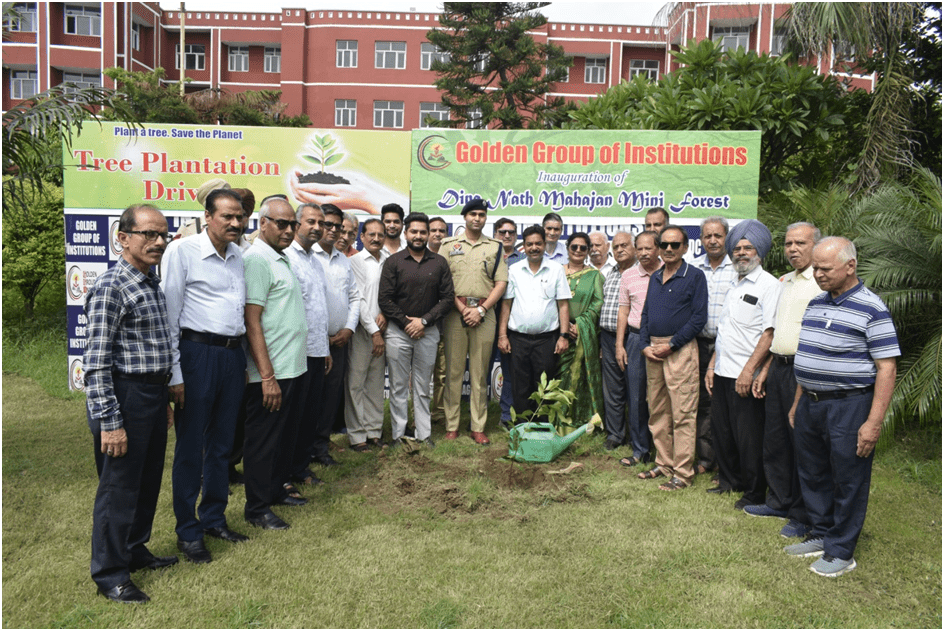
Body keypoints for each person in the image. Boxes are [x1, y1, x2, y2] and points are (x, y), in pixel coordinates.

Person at [784, 237, 899, 577]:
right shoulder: (817, 303)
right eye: (815, 267)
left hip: (849, 406)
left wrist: (873, 422)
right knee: (813, 471)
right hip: (811, 403)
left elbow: (887, 368)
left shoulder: (872, 307)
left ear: (850, 266)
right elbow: (810, 356)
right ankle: (821, 533)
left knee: (848, 478)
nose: (817, 274)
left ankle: (841, 551)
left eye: (825, 268)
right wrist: (797, 403)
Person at [84, 204, 175, 604]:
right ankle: (110, 574)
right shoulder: (112, 286)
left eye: (163, 235)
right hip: (125, 396)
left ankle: (134, 549)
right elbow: (97, 363)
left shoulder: (150, 281)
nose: (158, 242)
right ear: (123, 238)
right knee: (118, 487)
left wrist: (163, 397)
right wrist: (110, 421)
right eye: (148, 234)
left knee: (147, 480)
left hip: (152, 395)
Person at [161, 188, 249, 565]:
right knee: (191, 446)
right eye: (227, 216)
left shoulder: (239, 256)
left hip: (232, 356)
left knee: (222, 445)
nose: (235, 222)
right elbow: (169, 316)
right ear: (208, 216)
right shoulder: (182, 252)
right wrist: (175, 373)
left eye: (240, 216)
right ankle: (188, 529)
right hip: (196, 355)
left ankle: (214, 517)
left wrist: (241, 363)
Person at [744, 223, 822, 536]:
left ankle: (803, 512)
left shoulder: (821, 281)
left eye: (800, 243)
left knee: (802, 442)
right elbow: (779, 330)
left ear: (815, 244)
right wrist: (765, 369)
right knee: (774, 438)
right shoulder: (785, 281)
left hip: (804, 372)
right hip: (778, 367)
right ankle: (778, 501)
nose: (792, 249)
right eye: (788, 243)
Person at [242, 197, 308, 531]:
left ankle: (274, 491)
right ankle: (256, 508)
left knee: (282, 439)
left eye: (292, 224)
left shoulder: (280, 258)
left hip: (291, 368)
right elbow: (252, 321)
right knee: (262, 443)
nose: (288, 230)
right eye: (281, 223)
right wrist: (266, 376)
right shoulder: (256, 259)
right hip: (270, 374)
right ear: (262, 222)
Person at [705, 219, 781, 511]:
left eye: (748, 248)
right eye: (736, 248)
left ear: (759, 252)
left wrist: (750, 370)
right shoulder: (735, 284)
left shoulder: (769, 285)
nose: (741, 253)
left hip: (746, 374)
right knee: (723, 431)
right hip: (723, 370)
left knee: (749, 436)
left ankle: (753, 492)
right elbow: (726, 331)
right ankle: (729, 481)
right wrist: (712, 365)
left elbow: (769, 333)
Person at [637, 226, 708, 490]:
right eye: (663, 244)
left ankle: (683, 472)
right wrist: (645, 344)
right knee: (657, 411)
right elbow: (645, 315)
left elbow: (699, 318)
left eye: (674, 245)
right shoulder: (655, 277)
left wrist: (673, 344)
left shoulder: (695, 277)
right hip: (653, 351)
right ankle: (664, 463)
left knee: (683, 413)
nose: (668, 249)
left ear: (685, 248)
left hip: (680, 349)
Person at [379, 212, 455, 446]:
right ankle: (399, 435)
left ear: (429, 234)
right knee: (399, 386)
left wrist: (423, 322)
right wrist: (407, 323)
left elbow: (448, 298)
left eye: (424, 232)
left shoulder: (439, 262)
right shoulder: (393, 262)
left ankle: (424, 434)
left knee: (423, 386)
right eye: (414, 231)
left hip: (428, 332)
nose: (419, 236)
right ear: (406, 233)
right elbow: (385, 299)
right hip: (398, 333)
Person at [441, 198, 508, 445]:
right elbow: (443, 282)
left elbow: (501, 282)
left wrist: (480, 309)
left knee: (480, 374)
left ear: (485, 218)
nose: (477, 218)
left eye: (481, 214)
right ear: (464, 217)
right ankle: (452, 425)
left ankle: (478, 426)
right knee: (454, 372)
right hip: (454, 312)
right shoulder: (448, 245)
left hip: (485, 312)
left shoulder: (494, 247)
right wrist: (461, 308)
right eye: (473, 214)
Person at [497, 225, 571, 419]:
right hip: (518, 339)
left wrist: (563, 336)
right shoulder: (514, 270)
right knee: (520, 385)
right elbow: (506, 305)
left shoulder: (556, 270)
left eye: (538, 243)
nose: (534, 247)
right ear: (524, 247)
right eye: (529, 244)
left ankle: (542, 428)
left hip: (547, 339)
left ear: (545, 245)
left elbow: (563, 304)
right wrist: (502, 335)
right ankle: (522, 427)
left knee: (544, 386)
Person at [284, 203, 333, 487]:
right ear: (296, 224)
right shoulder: (286, 258)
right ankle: (284, 473)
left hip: (316, 350)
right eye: (310, 222)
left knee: (308, 416)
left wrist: (324, 347)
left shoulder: (315, 260)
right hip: (294, 352)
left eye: (321, 223)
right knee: (291, 418)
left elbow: (318, 308)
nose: (317, 228)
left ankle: (300, 468)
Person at [313, 204, 361, 466]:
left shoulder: (344, 259)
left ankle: (320, 449)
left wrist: (348, 328)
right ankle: (303, 450)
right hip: (313, 343)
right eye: (326, 225)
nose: (332, 231)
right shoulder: (307, 256)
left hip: (340, 341)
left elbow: (354, 297)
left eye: (337, 227)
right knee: (310, 399)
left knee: (331, 399)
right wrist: (321, 337)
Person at [692, 216, 738, 475]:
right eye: (707, 236)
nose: (712, 240)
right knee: (702, 403)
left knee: (728, 403)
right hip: (699, 344)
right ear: (701, 240)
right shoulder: (693, 267)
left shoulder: (738, 268)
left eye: (717, 236)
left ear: (726, 238)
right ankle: (706, 459)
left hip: (731, 346)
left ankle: (728, 461)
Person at [615, 231, 663, 466]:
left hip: (663, 342)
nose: (644, 253)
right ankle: (640, 450)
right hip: (634, 340)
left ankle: (664, 453)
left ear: (658, 249)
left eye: (649, 248)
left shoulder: (669, 273)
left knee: (662, 398)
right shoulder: (629, 275)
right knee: (635, 397)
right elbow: (623, 311)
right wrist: (619, 345)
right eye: (640, 249)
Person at [345, 218, 389, 451]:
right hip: (363, 331)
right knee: (355, 383)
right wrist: (373, 331)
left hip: (384, 329)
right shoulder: (355, 262)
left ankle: (374, 431)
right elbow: (358, 299)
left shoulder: (390, 261)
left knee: (375, 383)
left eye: (380, 235)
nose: (375, 238)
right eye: (370, 234)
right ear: (361, 237)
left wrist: (386, 316)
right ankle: (357, 435)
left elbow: (393, 295)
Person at [556, 232, 604, 434]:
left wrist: (580, 324)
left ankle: (576, 420)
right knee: (556, 377)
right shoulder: (555, 272)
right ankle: (555, 417)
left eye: (582, 248)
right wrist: (564, 327)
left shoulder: (595, 275)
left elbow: (598, 303)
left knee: (578, 377)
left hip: (581, 335)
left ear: (588, 251)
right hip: (557, 333)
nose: (577, 251)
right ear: (567, 248)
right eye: (573, 247)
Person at [598, 231, 637, 450]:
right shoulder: (611, 273)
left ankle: (635, 436)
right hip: (608, 337)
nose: (620, 250)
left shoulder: (641, 272)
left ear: (633, 247)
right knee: (612, 389)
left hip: (632, 336)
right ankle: (614, 434)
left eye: (624, 245)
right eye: (616, 247)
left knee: (634, 388)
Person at [493, 217, 525, 426]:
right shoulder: (486, 254)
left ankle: (507, 415)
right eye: (502, 232)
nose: (507, 235)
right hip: (484, 319)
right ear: (495, 233)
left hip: (512, 323)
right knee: (480, 372)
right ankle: (477, 415)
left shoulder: (523, 261)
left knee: (510, 372)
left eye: (511, 232)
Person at [427, 215, 450, 424]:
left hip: (444, 325)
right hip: (421, 326)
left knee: (442, 373)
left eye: (441, 231)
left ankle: (440, 413)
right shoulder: (418, 257)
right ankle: (421, 415)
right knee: (421, 375)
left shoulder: (450, 258)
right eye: (433, 230)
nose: (437, 234)